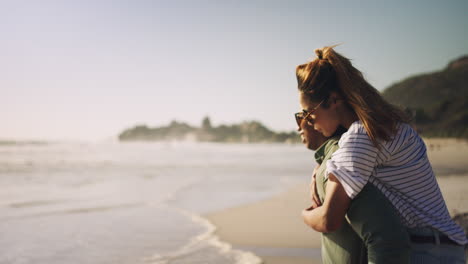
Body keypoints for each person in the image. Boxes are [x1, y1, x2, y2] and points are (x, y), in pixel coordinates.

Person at [297, 45, 467, 263]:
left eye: (309, 114)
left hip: (424, 252)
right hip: (446, 248)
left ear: (333, 100)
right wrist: (321, 168)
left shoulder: (360, 138)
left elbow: (329, 219)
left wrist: (305, 215)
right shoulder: (387, 125)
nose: (308, 123)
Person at [296, 112, 410, 263]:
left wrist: (305, 215)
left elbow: (389, 241)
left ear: (317, 117)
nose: (298, 128)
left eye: (301, 116)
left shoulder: (338, 165)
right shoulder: (334, 160)